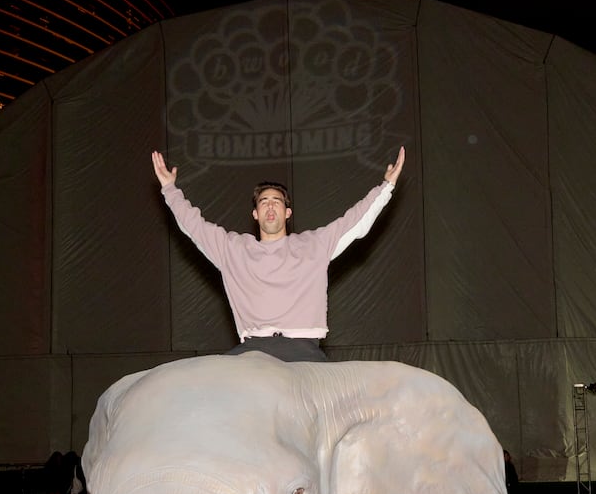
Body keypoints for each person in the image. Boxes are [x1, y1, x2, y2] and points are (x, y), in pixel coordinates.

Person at [151, 146, 406, 361]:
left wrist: (386, 186)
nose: (270, 205)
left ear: (287, 212)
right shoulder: (232, 249)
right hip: (254, 351)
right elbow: (195, 226)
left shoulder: (314, 245)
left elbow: (355, 221)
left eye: (277, 201)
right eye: (263, 202)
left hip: (304, 351)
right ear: (255, 214)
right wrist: (169, 190)